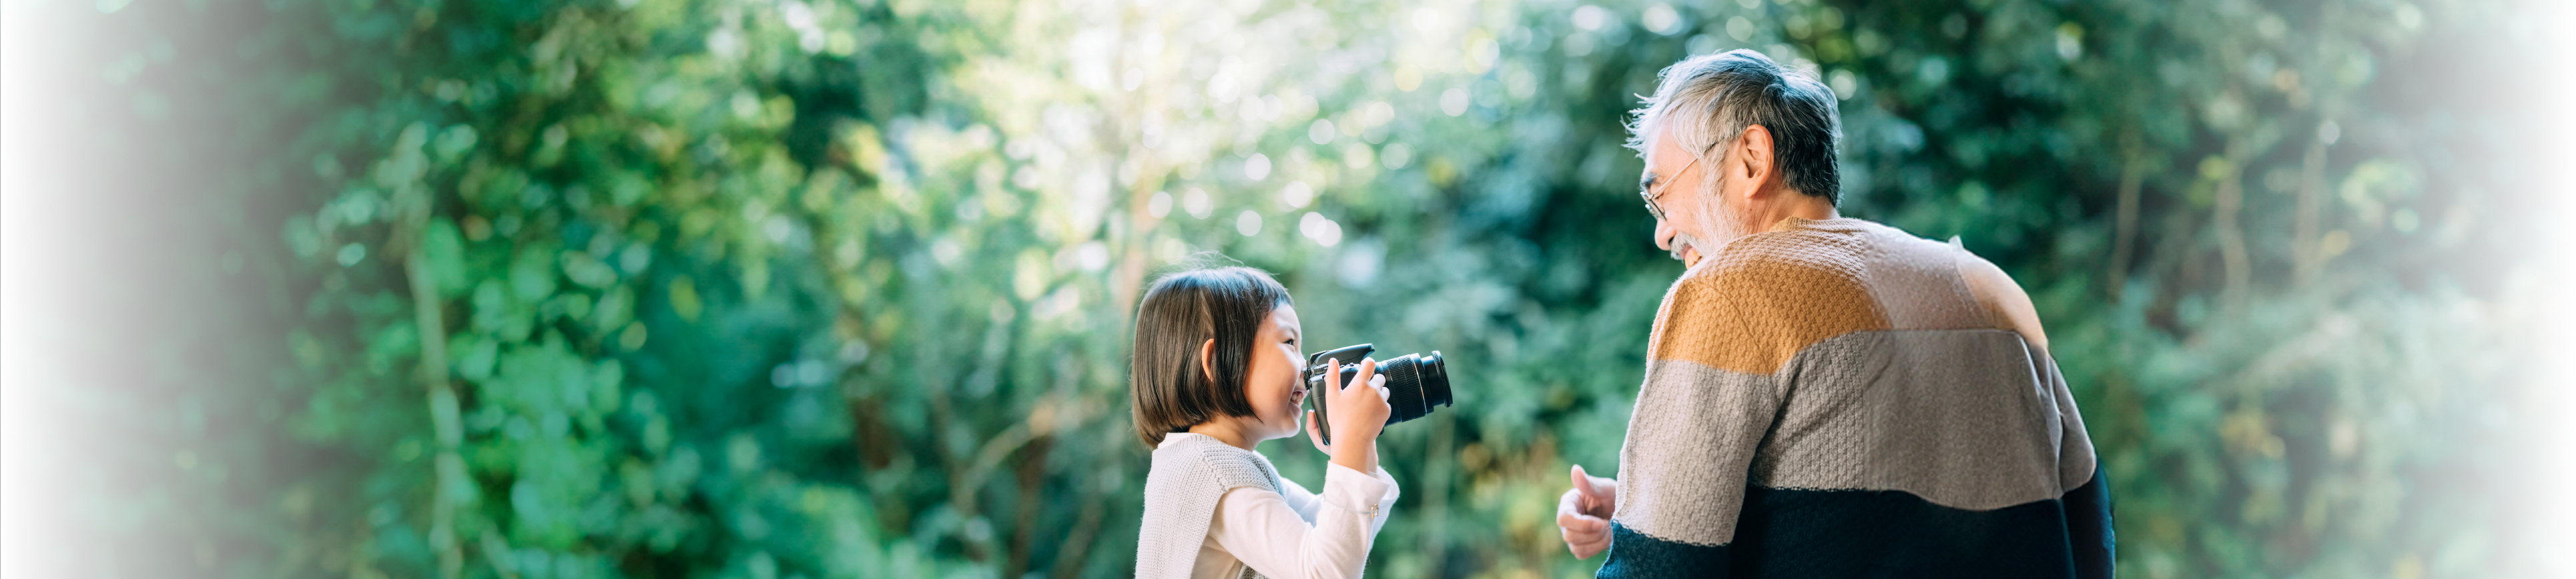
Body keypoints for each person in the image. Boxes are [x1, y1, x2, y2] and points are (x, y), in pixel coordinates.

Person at [1552, 49, 2115, 578]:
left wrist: (1651, 531)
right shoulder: (1987, 286)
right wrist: (1642, 499)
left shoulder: (1727, 289)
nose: (1663, 232)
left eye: (1662, 194)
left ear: (1752, 158)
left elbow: (1660, 568)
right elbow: (2089, 527)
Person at [1131, 265, 1402, 579]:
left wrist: (1357, 448)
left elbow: (1330, 529)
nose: (1305, 366)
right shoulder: (1212, 474)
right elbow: (1326, 571)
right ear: (1218, 363)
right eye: (1289, 343)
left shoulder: (1213, 465)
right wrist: (1351, 446)